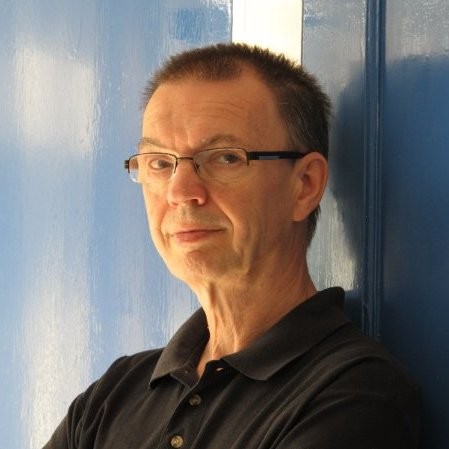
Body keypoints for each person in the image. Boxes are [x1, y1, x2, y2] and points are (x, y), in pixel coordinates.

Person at [43, 43, 421, 449]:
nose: (180, 192)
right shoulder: (112, 396)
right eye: (159, 163)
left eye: (224, 158)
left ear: (305, 185)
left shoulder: (353, 395)